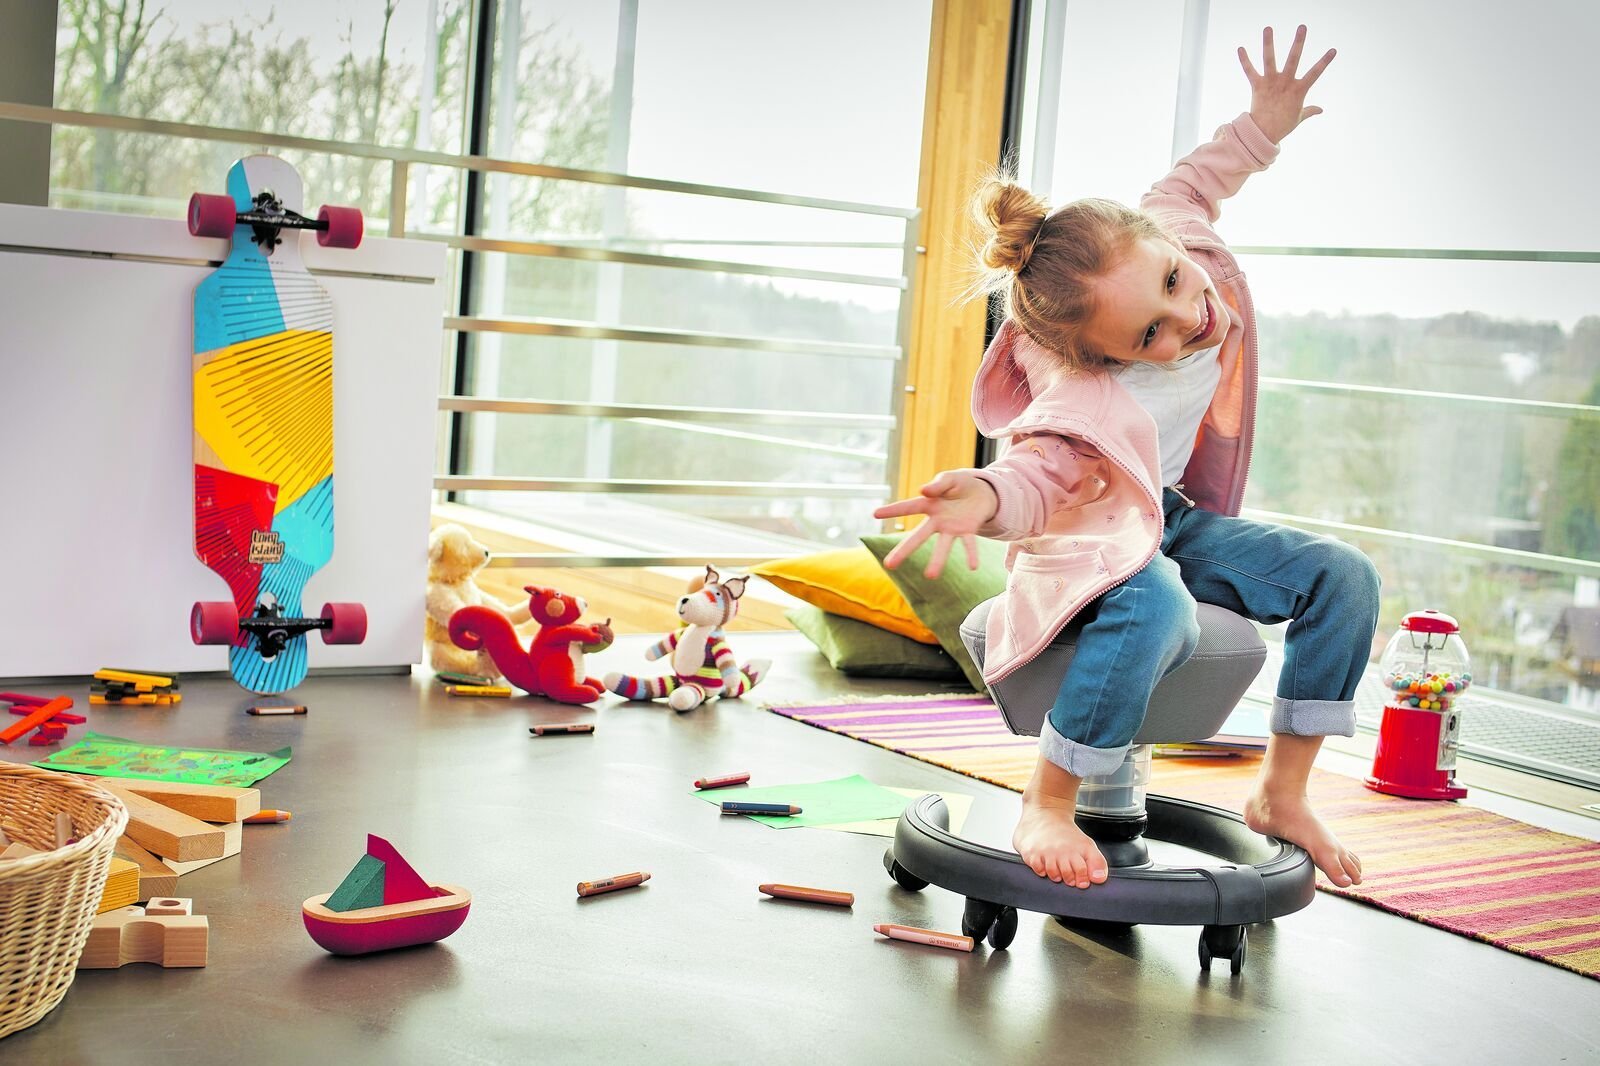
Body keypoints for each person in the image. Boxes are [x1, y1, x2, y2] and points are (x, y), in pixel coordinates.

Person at [875, 26, 1376, 891]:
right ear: (1105, 354)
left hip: (1167, 515)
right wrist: (987, 495)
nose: (1191, 321)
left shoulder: (1171, 232)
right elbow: (1041, 474)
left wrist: (1263, 125)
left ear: (1166, 244)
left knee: (1342, 576)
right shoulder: (1081, 389)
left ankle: (1282, 793)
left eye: (1178, 284)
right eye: (1151, 334)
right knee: (1157, 611)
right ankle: (1050, 795)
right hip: (1093, 541)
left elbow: (1196, 181)